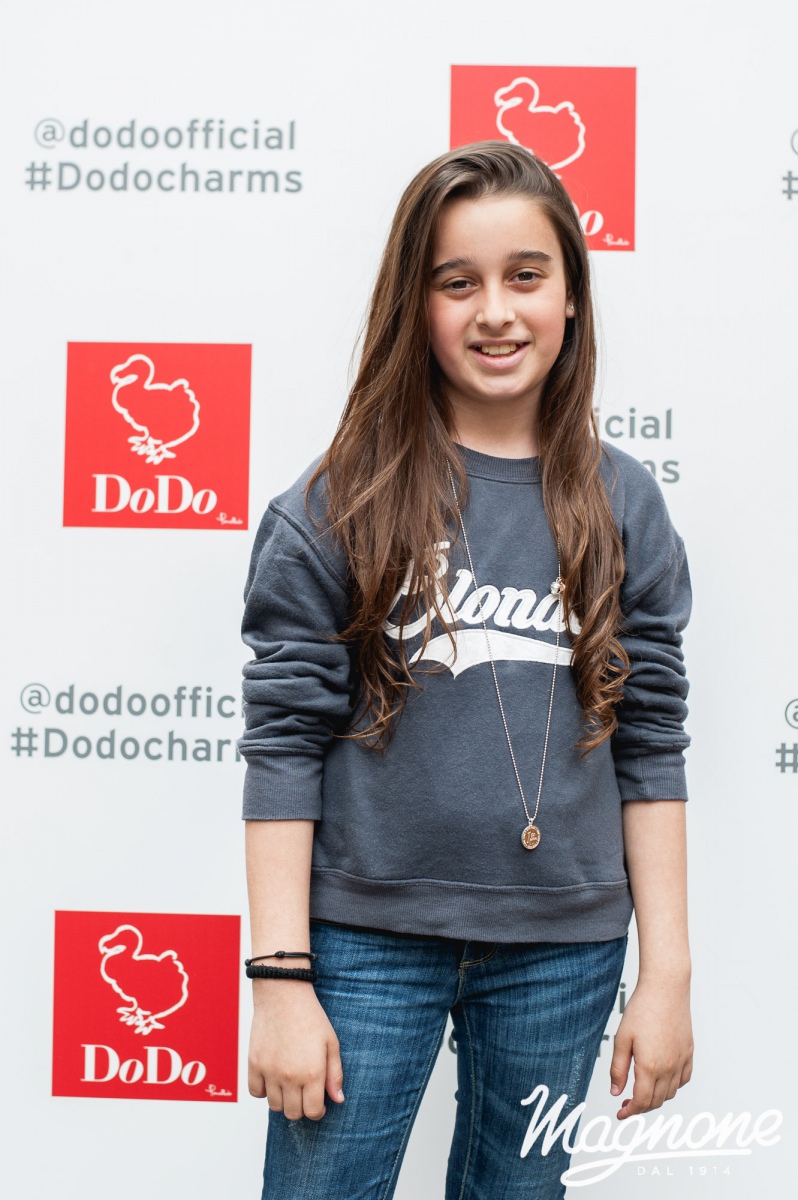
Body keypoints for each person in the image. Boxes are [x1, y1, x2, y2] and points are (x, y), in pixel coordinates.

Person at [238, 141, 693, 1199]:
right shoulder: (337, 503)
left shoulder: (625, 506)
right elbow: (282, 745)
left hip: (563, 952)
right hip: (361, 945)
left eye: (526, 275)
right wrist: (281, 982)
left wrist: (666, 970)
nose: (497, 311)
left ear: (570, 295)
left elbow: (651, 741)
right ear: (417, 303)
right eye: (458, 282)